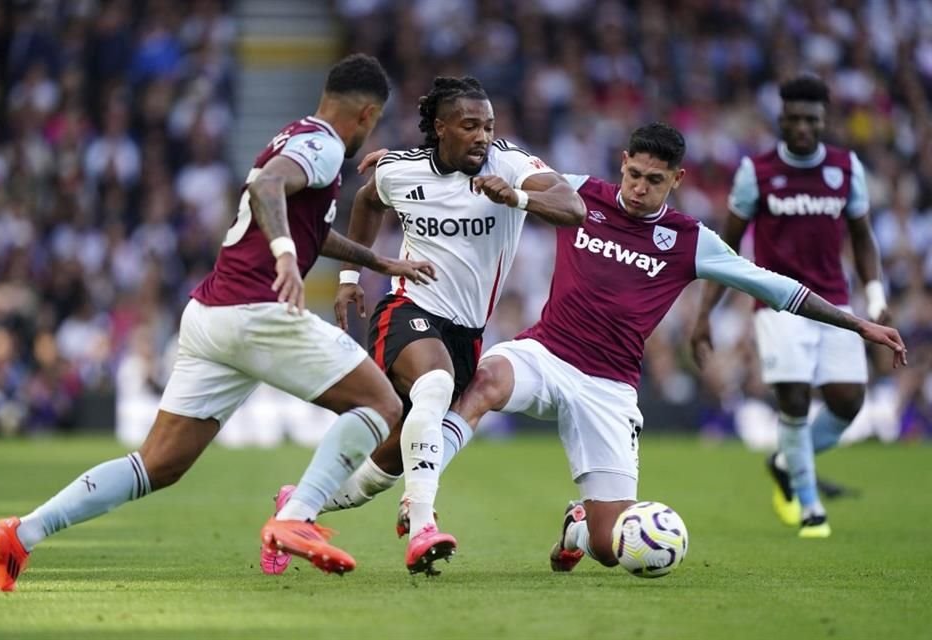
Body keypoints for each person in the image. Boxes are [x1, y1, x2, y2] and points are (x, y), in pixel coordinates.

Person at [302, 122, 907, 573]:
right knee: (479, 384)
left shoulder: (691, 241)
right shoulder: (578, 193)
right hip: (544, 353)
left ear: (677, 180)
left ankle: (576, 525)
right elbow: (485, 154)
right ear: (623, 164)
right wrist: (412, 159)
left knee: (608, 547)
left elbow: (777, 288)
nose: (639, 189)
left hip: (609, 387)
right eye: (633, 173)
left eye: (654, 180)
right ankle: (421, 502)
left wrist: (859, 325)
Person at [0, 53, 436, 592]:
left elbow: (304, 220)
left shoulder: (296, 137)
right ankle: (296, 516)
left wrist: (378, 261)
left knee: (158, 464)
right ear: (365, 115)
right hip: (256, 310)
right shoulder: (324, 146)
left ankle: (21, 534)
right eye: (375, 122)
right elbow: (267, 190)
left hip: (210, 317)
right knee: (381, 404)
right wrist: (287, 256)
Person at [260, 76, 585, 576]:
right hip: (407, 310)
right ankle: (423, 524)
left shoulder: (510, 165)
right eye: (470, 125)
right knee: (434, 386)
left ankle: (298, 507)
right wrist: (351, 277)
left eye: (489, 126)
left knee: (384, 469)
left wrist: (517, 199)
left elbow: (572, 207)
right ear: (441, 128)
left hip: (466, 334)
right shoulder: (401, 170)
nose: (482, 136)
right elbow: (368, 201)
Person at [690, 74, 888, 537]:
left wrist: (875, 297)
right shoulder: (755, 173)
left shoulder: (845, 168)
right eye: (794, 118)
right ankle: (810, 504)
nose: (802, 127)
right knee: (795, 398)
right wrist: (704, 316)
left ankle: (784, 461)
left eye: (811, 119)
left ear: (824, 121)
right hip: (778, 306)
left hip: (835, 303)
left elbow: (862, 238)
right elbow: (726, 252)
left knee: (848, 402)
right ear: (781, 119)